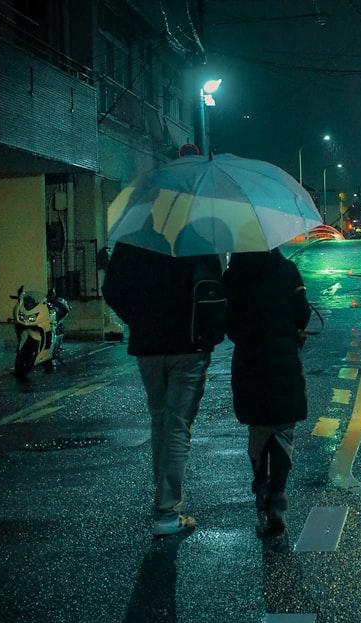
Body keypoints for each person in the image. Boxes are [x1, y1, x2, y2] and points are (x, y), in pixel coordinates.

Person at [102, 223, 225, 538]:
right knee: (177, 425)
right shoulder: (199, 237)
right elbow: (216, 288)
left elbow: (112, 290)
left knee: (160, 421)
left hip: (149, 347)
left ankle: (164, 505)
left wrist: (141, 320)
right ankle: (167, 512)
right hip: (189, 345)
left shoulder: (133, 240)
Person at [222, 250, 311, 536]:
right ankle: (278, 496)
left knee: (259, 427)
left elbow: (231, 327)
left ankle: (260, 486)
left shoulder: (232, 276)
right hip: (284, 357)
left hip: (249, 361)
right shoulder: (287, 269)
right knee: (283, 429)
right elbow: (303, 313)